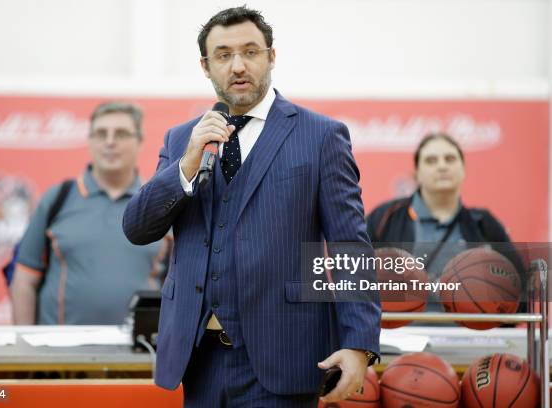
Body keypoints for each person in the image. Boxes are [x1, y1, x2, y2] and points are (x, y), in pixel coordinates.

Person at [122, 7, 380, 407]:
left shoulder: (321, 136)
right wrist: (186, 164)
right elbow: (138, 228)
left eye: (250, 52)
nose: (238, 66)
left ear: (271, 57)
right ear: (206, 67)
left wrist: (359, 343)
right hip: (198, 359)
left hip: (286, 359)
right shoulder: (180, 141)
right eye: (223, 55)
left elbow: (350, 247)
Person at [10, 101, 164, 325]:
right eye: (101, 134)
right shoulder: (57, 199)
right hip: (60, 354)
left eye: (121, 134)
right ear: (90, 141)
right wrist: (24, 349)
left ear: (139, 142)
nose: (110, 142)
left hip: (139, 352)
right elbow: (24, 280)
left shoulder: (159, 204)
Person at [366, 132, 523, 314]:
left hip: (468, 338)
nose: (442, 166)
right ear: (417, 173)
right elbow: (353, 275)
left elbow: (517, 288)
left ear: (463, 169)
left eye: (450, 159)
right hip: (401, 337)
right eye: (431, 160)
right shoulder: (385, 217)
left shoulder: (484, 224)